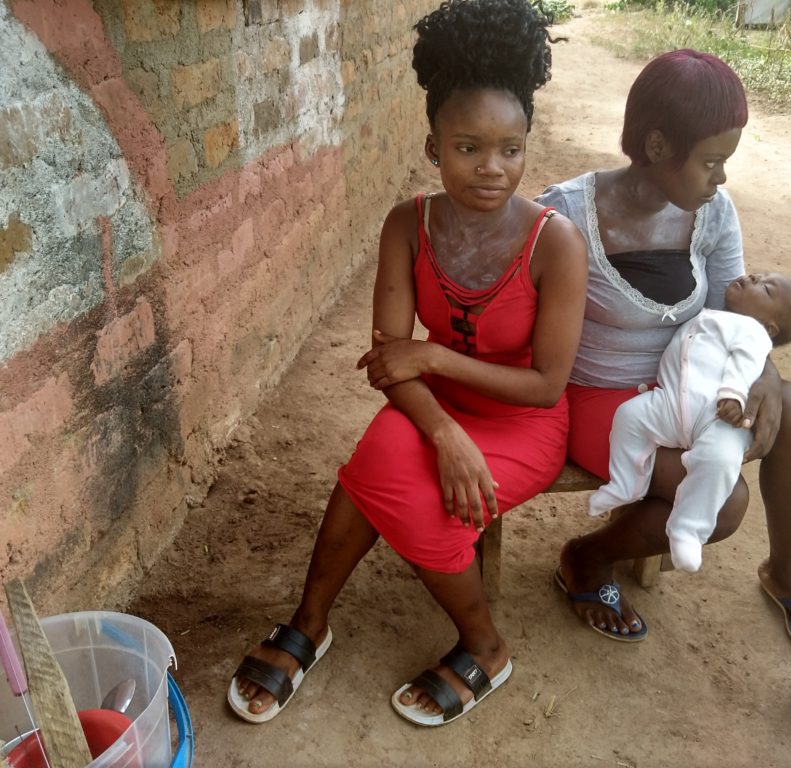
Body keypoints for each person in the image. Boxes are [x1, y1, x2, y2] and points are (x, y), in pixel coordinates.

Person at [228, 0, 587, 726]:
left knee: (422, 506)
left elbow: (546, 384)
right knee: (375, 466)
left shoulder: (555, 244)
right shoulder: (407, 225)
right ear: (432, 147)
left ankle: (485, 646)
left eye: (510, 149)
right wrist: (444, 431)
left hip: (525, 422)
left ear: (526, 144)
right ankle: (310, 620)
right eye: (468, 148)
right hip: (431, 407)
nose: (493, 169)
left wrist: (431, 357)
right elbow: (387, 365)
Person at [537, 49, 791, 644]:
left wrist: (766, 379)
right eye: (711, 161)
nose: (721, 178)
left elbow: (738, 315)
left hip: (695, 380)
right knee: (724, 505)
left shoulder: (712, 212)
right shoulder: (567, 215)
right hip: (604, 397)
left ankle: (785, 573)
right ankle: (589, 556)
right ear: (656, 147)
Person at [588, 272, 791, 574]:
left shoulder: (751, 332)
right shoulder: (712, 314)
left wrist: (733, 395)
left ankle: (688, 530)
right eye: (759, 274)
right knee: (630, 417)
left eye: (766, 288)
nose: (753, 275)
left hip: (718, 416)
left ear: (769, 327)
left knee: (718, 460)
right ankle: (625, 484)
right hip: (669, 403)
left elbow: (746, 362)